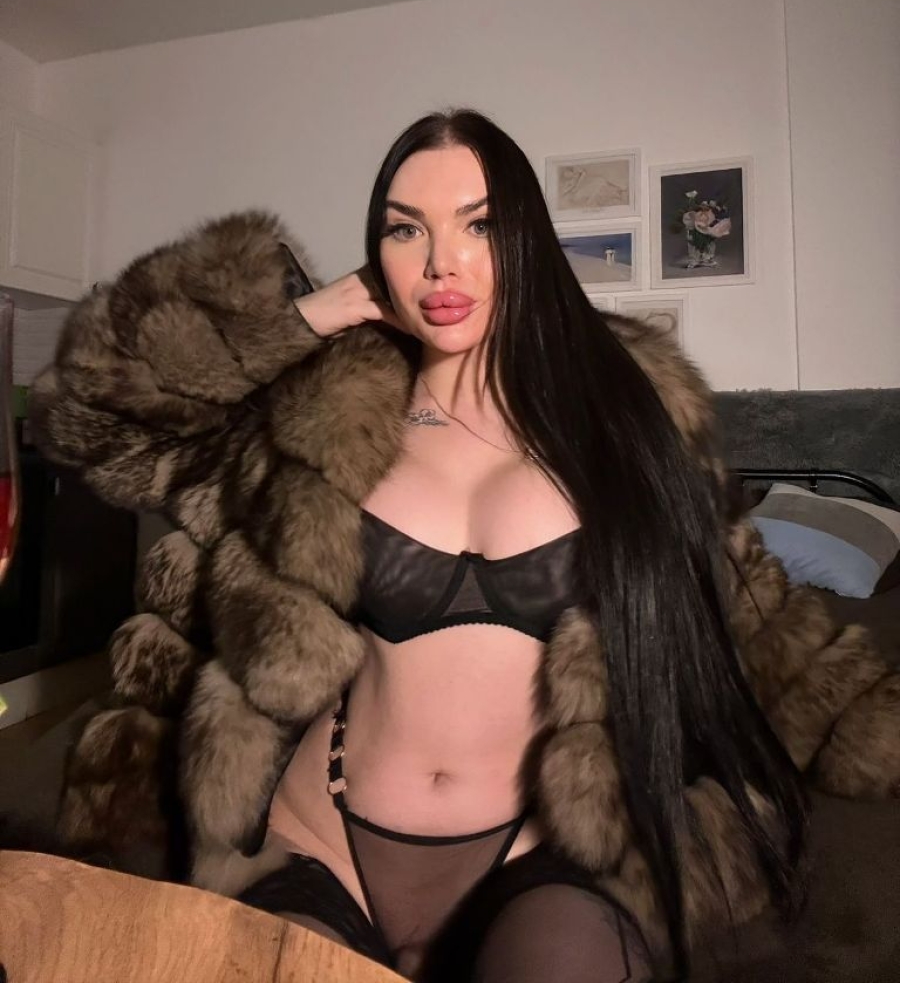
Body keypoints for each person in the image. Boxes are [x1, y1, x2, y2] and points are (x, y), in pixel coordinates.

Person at [31, 111, 900, 983]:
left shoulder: (625, 420)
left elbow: (752, 616)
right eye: (406, 229)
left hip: (541, 849)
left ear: (526, 241)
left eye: (478, 225)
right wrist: (307, 317)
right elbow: (85, 421)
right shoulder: (310, 418)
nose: (441, 262)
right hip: (318, 840)